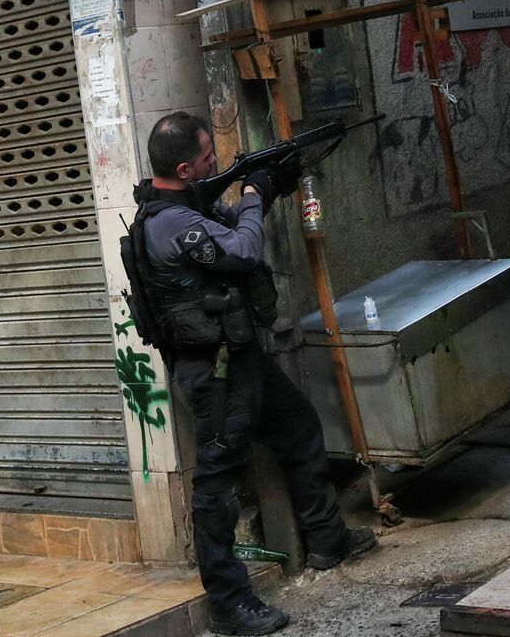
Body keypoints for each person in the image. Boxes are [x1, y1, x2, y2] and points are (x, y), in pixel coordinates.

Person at [129, 112, 376, 635]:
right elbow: (241, 248)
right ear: (183, 168)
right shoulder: (168, 223)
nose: (214, 162)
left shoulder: (184, 204)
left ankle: (326, 539)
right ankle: (229, 603)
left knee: (300, 428)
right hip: (213, 374)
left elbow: (226, 221)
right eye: (206, 159)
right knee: (217, 487)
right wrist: (253, 196)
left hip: (239, 360)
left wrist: (271, 181)